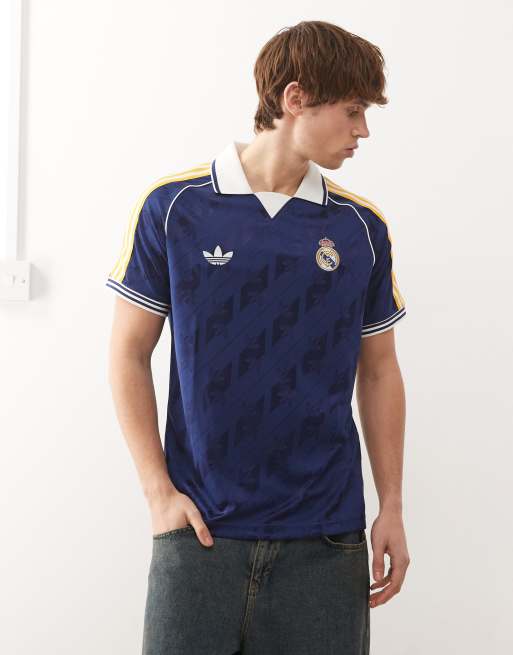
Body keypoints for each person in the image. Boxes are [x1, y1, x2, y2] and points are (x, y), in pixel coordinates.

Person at [106, 19, 410, 655]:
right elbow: (128, 353)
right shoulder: (174, 207)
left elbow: (380, 370)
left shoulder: (360, 229)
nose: (363, 130)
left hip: (326, 540)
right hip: (199, 534)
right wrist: (158, 494)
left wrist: (392, 506)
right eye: (353, 110)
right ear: (296, 98)